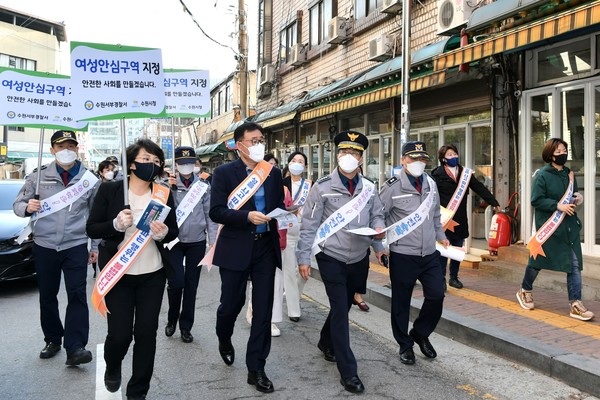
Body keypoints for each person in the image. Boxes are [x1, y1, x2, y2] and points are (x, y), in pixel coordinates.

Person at [86, 139, 179, 400]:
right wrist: (115, 224)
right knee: (120, 335)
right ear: (132, 162)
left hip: (152, 273)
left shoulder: (163, 193)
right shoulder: (111, 191)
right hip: (119, 274)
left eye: (157, 161)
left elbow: (175, 231)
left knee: (147, 333)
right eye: (146, 159)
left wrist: (163, 235)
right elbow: (92, 228)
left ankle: (138, 391)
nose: (152, 165)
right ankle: (113, 365)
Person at [297, 131, 386, 394]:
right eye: (344, 152)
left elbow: (377, 217)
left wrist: (379, 244)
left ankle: (325, 341)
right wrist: (304, 258)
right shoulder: (322, 187)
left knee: (343, 306)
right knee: (339, 306)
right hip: (331, 256)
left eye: (355, 153)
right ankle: (349, 372)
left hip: (359, 257)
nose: (349, 157)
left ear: (361, 158)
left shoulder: (369, 188)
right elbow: (308, 226)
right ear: (337, 156)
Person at [209, 122, 284, 393]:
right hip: (236, 247)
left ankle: (257, 368)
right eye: (254, 140)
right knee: (231, 304)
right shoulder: (224, 173)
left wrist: (287, 213)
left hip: (265, 247)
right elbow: (216, 211)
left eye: (261, 139)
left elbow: (277, 207)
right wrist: (246, 217)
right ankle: (224, 337)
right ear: (239, 144)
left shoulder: (273, 174)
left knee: (263, 310)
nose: (259, 144)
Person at [13, 130, 98, 366]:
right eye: (61, 147)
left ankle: (76, 346)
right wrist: (27, 207)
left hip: (76, 244)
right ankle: (52, 339)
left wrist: (96, 246)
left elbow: (95, 216)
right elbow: (17, 205)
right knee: (48, 295)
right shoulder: (38, 177)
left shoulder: (89, 179)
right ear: (52, 150)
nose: (67, 150)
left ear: (78, 149)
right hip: (45, 244)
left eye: (71, 145)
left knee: (77, 295)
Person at [379, 141, 450, 366]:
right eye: (412, 159)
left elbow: (436, 215)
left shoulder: (431, 183)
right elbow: (378, 215)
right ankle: (405, 345)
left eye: (421, 159)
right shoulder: (392, 186)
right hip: (402, 253)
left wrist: (441, 236)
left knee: (437, 294)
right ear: (402, 161)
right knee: (401, 302)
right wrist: (379, 245)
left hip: (429, 253)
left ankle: (420, 333)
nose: (418, 163)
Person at [517, 138, 594, 321]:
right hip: (550, 228)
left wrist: (577, 199)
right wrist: (557, 206)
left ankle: (575, 303)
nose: (563, 154)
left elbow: (571, 196)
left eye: (565, 150)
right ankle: (525, 290)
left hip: (568, 228)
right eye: (559, 151)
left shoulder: (569, 174)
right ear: (551, 155)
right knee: (537, 262)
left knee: (574, 264)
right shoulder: (542, 175)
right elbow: (536, 200)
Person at [165, 146, 217, 343]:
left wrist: (212, 239)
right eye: (182, 163)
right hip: (174, 241)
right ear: (176, 164)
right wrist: (169, 190)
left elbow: (209, 214)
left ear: (195, 164)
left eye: (190, 163)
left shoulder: (203, 186)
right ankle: (171, 319)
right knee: (176, 282)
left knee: (191, 285)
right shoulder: (167, 185)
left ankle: (186, 327)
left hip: (196, 241)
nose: (186, 166)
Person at [431, 144, 500, 289]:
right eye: (449, 155)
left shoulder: (465, 174)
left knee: (457, 249)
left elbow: (479, 188)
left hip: (460, 218)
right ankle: (441, 279)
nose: (453, 157)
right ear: (443, 158)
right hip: (444, 219)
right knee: (443, 251)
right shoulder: (437, 175)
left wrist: (493, 202)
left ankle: (454, 277)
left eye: (455, 154)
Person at [281, 151, 310, 322]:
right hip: (288, 231)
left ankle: (294, 297)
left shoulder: (310, 185)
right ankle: (294, 310)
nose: (297, 163)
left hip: (306, 232)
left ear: (305, 166)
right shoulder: (280, 184)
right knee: (290, 272)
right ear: (289, 163)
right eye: (294, 160)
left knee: (304, 272)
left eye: (300, 161)